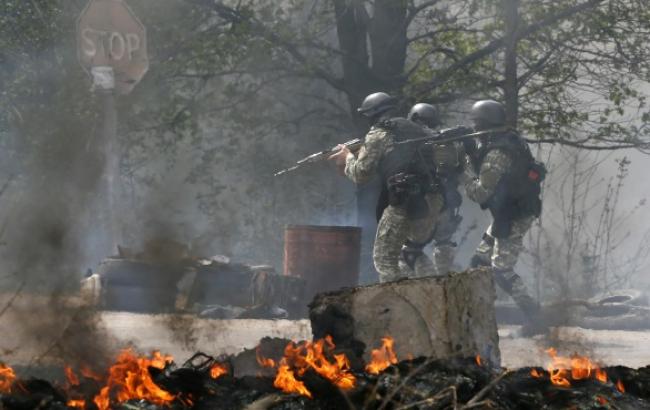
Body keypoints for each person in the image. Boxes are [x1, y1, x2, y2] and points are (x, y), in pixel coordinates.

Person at [328, 92, 444, 282]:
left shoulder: (378, 133)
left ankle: (397, 306)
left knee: (384, 260)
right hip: (431, 201)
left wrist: (347, 157)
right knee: (410, 253)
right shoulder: (416, 129)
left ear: (373, 114)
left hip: (404, 201)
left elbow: (360, 174)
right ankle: (427, 296)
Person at [462, 99, 547, 335]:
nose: (474, 130)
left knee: (501, 269)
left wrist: (465, 168)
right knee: (479, 260)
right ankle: (473, 315)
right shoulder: (508, 139)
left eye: (476, 124)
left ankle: (536, 318)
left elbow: (480, 193)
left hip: (513, 215)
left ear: (483, 124)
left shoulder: (497, 152)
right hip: (509, 211)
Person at [400, 103, 464, 276]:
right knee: (444, 244)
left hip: (425, 203)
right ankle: (447, 284)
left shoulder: (412, 142)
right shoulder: (447, 142)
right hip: (447, 203)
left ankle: (427, 286)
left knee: (409, 251)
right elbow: (458, 169)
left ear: (414, 118)